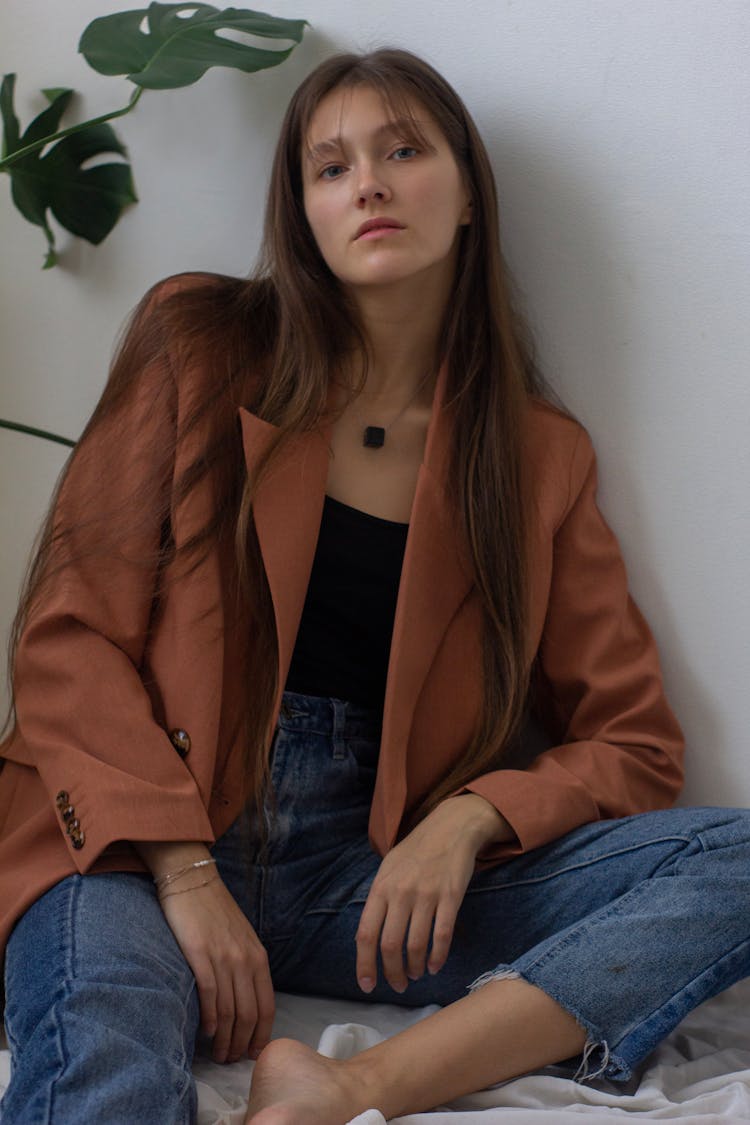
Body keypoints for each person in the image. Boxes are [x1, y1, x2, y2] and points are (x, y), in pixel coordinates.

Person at [0, 46, 748, 1125]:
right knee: (109, 1044)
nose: (371, 185)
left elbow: (633, 743)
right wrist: (186, 875)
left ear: (469, 199)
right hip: (132, 841)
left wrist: (471, 821)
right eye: (331, 166)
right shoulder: (199, 343)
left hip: (364, 877)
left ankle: (360, 1084)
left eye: (404, 151)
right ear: (303, 210)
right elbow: (68, 640)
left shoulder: (537, 455)